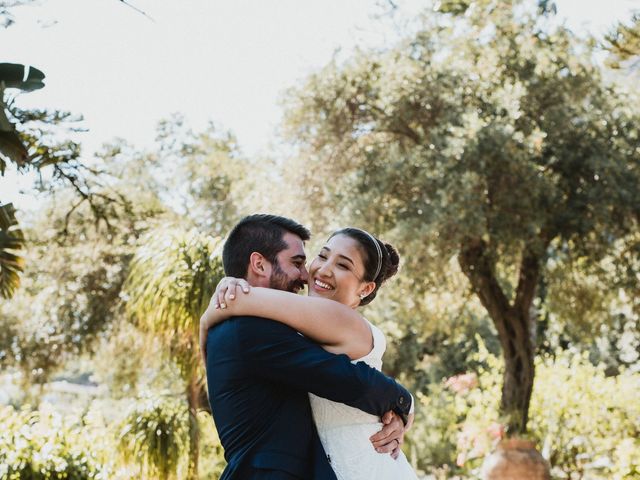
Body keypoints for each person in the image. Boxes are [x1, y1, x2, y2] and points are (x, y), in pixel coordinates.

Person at [201, 220, 419, 479]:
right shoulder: (255, 330)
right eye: (320, 257)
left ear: (366, 288)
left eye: (342, 265)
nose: (310, 273)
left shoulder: (337, 317)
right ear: (259, 264)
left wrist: (211, 313)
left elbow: (237, 301)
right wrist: (404, 407)